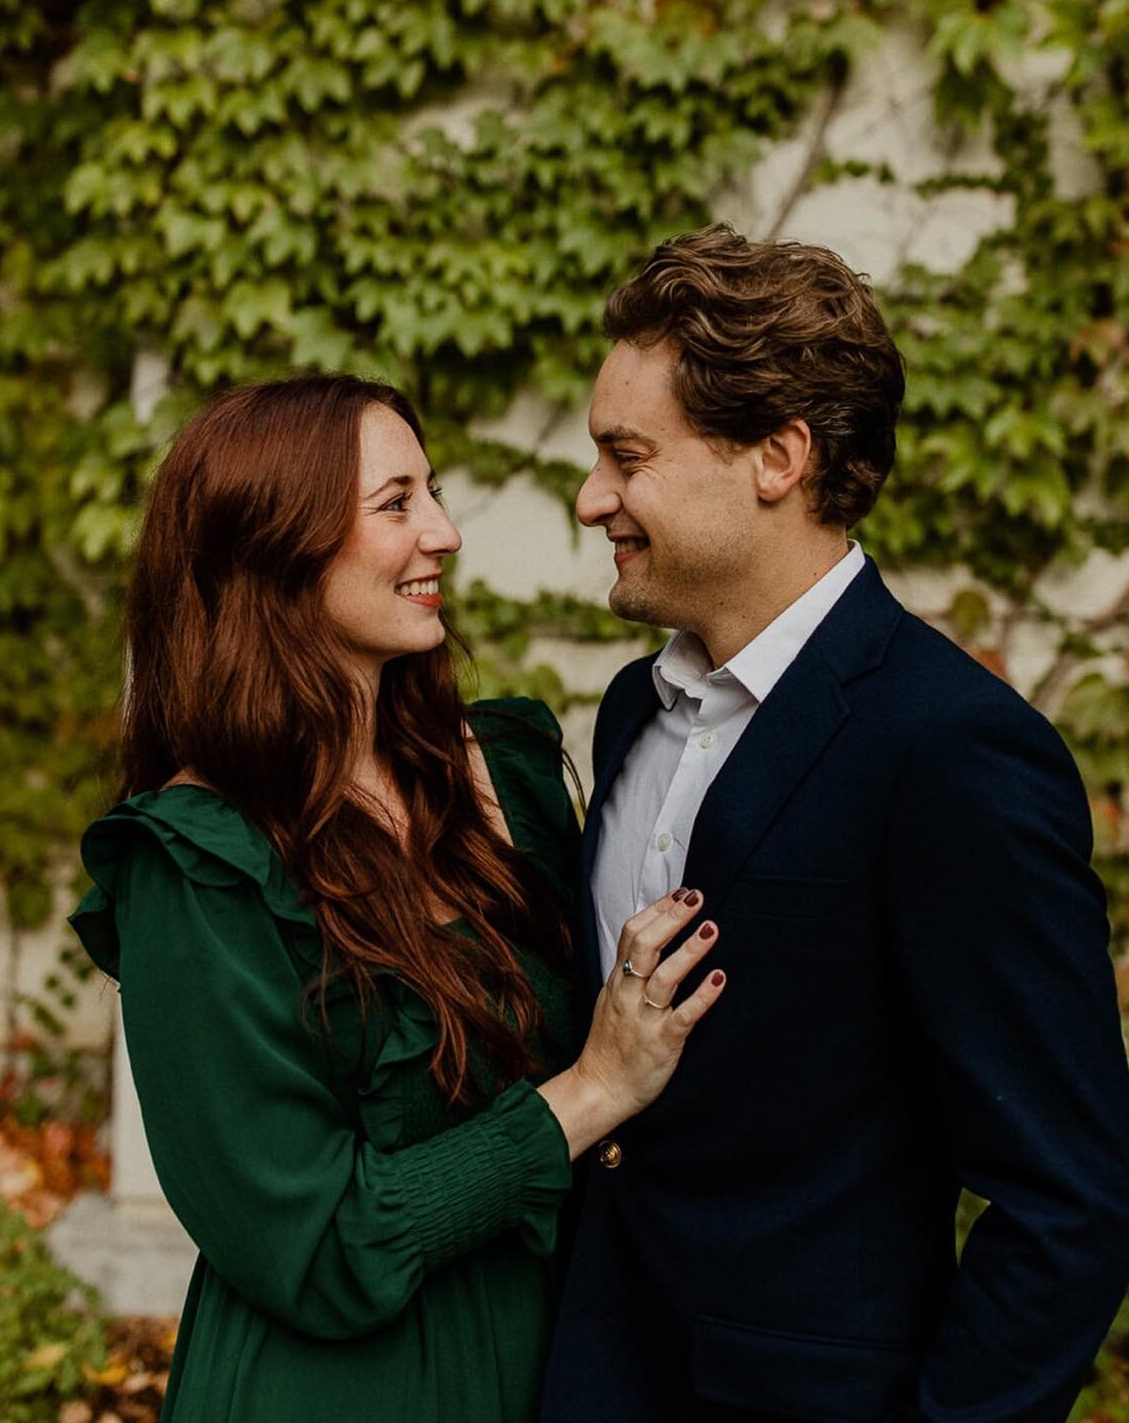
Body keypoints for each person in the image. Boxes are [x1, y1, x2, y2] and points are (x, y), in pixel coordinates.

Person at [539, 225, 1129, 1423]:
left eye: (626, 456)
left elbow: (1070, 1204)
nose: (590, 496)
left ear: (777, 457)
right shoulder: (628, 712)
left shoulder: (954, 751)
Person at [67, 374, 727, 1423]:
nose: (447, 534)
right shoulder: (194, 870)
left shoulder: (505, 772)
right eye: (397, 503)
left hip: (560, 1363)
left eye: (434, 493)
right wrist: (593, 1089)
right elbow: (317, 1244)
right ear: (274, 545)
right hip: (337, 1390)